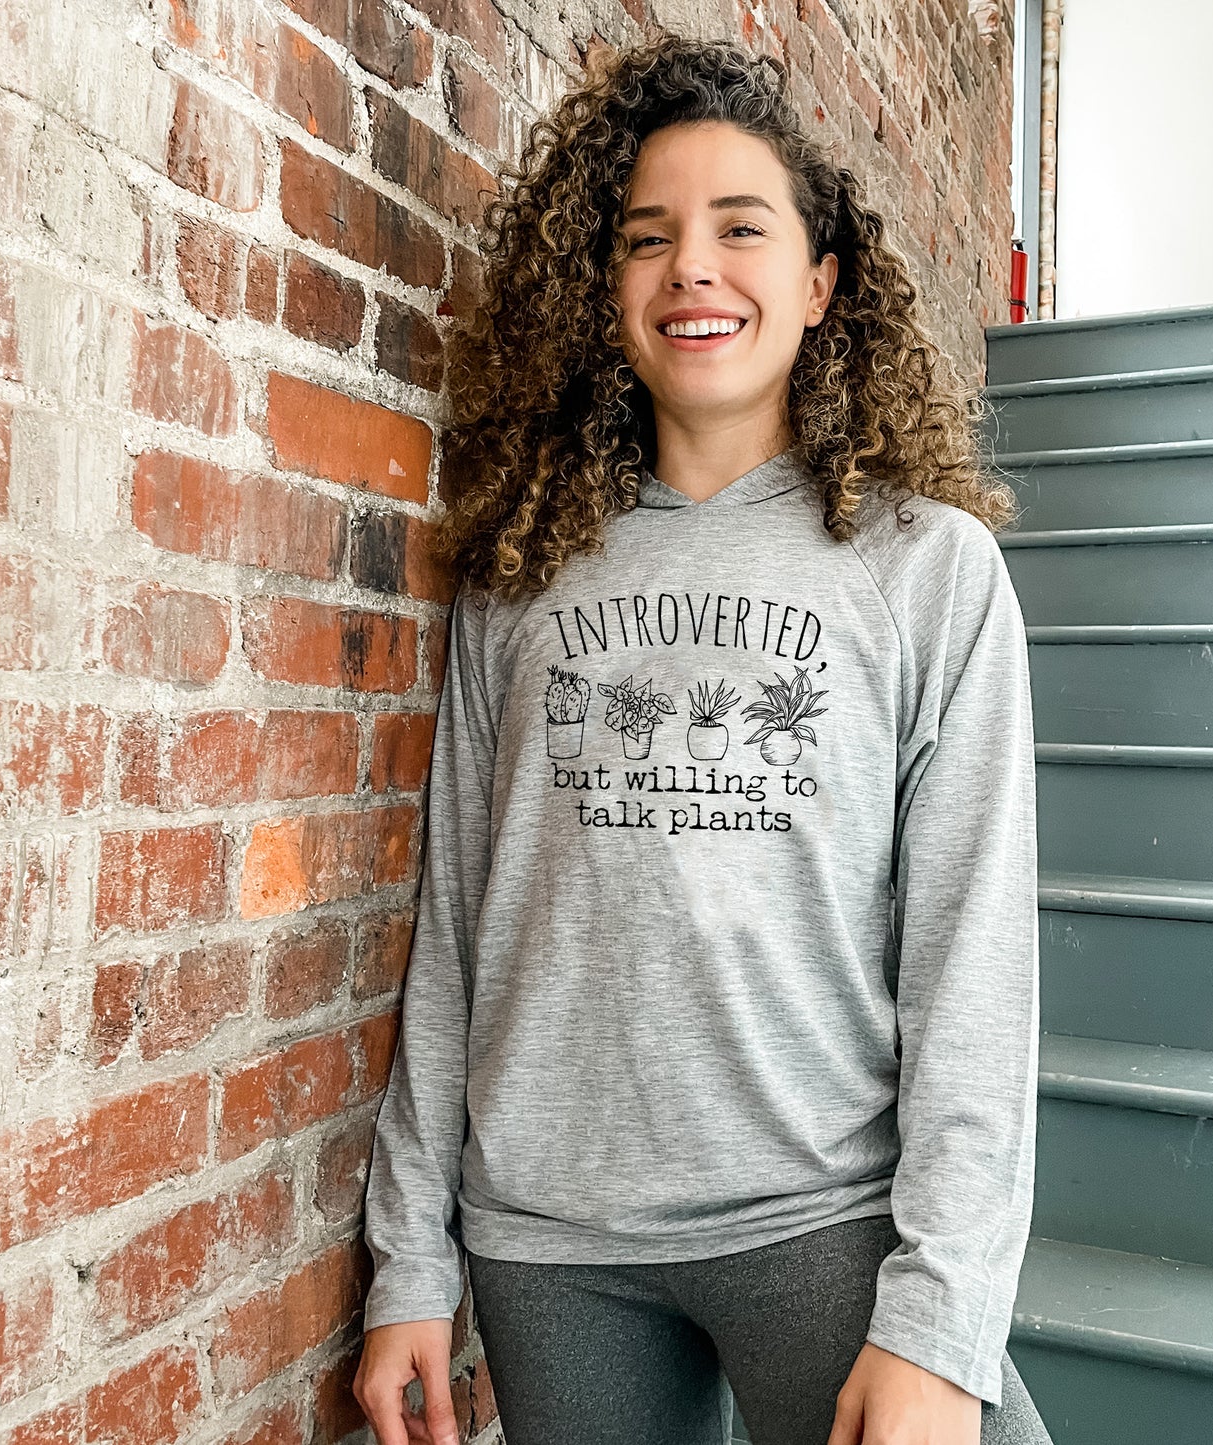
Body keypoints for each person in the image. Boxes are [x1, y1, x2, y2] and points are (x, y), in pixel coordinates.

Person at [353, 31, 1052, 1445]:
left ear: (818, 282)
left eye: (742, 229)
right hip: (554, 1242)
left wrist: (940, 1310)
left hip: (823, 1217)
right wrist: (409, 1260)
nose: (692, 269)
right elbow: (458, 928)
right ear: (603, 288)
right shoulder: (521, 573)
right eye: (646, 237)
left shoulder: (927, 567)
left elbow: (974, 959)